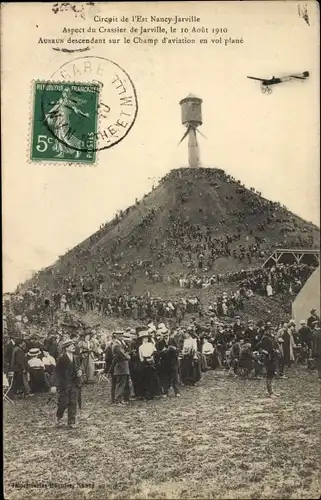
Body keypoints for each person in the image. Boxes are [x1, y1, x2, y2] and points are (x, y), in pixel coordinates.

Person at [55, 339, 84, 429]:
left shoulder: (76, 357)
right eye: (71, 346)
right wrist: (56, 385)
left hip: (74, 382)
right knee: (64, 402)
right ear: (66, 348)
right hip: (64, 384)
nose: (74, 347)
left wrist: (80, 371)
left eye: (73, 346)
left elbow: (79, 367)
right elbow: (57, 372)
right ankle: (59, 417)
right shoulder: (61, 358)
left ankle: (71, 422)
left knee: (73, 402)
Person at [155, 326, 180, 397]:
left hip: (173, 361)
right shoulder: (159, 343)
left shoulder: (173, 340)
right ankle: (165, 392)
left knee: (175, 376)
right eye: (164, 335)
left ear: (168, 334)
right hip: (164, 362)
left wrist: (174, 348)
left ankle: (177, 392)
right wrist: (162, 351)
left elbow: (178, 349)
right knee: (165, 377)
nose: (165, 336)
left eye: (166, 335)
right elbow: (156, 353)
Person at [255, 328, 279, 397]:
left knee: (272, 374)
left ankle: (272, 391)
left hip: (273, 358)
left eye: (272, 329)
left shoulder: (271, 337)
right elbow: (257, 347)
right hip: (268, 359)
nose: (271, 331)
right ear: (266, 331)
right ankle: (270, 392)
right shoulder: (264, 338)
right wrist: (263, 351)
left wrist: (276, 350)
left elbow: (274, 346)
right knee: (269, 375)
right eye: (270, 329)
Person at [138, 331, 161, 399]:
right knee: (146, 379)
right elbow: (141, 357)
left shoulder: (151, 344)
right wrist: (145, 361)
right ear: (142, 339)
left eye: (147, 338)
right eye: (144, 338)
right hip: (145, 363)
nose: (146, 339)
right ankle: (147, 394)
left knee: (153, 378)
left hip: (152, 360)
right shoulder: (141, 347)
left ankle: (154, 393)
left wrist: (152, 358)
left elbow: (155, 352)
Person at [111, 332, 131, 405]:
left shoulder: (119, 344)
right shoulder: (117, 345)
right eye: (121, 336)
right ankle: (118, 400)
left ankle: (119, 400)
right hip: (120, 366)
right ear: (118, 336)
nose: (122, 337)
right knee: (121, 384)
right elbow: (123, 354)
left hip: (122, 366)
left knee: (122, 383)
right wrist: (128, 356)